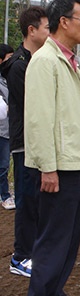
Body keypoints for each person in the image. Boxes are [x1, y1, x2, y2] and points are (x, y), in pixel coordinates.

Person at [24, 0, 80, 296]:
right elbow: (39, 121)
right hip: (58, 167)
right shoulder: (45, 61)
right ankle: (41, 294)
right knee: (53, 240)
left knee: (69, 238)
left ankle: (54, 291)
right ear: (64, 22)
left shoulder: (69, 61)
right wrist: (47, 168)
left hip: (75, 163)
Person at [1, 6, 49, 277]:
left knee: (37, 200)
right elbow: (32, 104)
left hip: (35, 141)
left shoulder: (35, 60)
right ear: (31, 30)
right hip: (24, 142)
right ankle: (20, 257)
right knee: (27, 199)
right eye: (46, 27)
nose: (49, 32)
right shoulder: (20, 65)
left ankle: (33, 251)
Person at [0, 44, 14, 210]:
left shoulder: (7, 77)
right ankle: (4, 195)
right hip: (2, 127)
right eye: (9, 58)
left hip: (9, 127)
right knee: (3, 165)